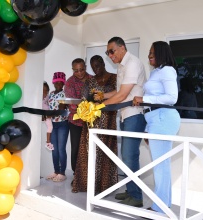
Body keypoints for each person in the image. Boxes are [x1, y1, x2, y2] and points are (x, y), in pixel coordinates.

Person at [133, 41, 181, 214]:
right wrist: (147, 127)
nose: (149, 55)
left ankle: (159, 209)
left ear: (161, 52)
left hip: (163, 118)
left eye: (152, 52)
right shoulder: (156, 72)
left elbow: (171, 98)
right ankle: (164, 205)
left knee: (160, 166)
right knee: (162, 165)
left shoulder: (168, 70)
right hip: (155, 119)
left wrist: (145, 100)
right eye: (149, 52)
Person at [101, 37, 147, 207]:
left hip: (135, 115)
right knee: (127, 157)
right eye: (107, 53)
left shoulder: (133, 63)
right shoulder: (122, 65)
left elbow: (121, 95)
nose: (110, 55)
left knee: (130, 156)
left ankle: (136, 197)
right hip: (125, 115)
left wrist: (98, 107)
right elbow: (119, 92)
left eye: (111, 51)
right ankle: (131, 190)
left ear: (122, 48)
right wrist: (102, 96)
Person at [72, 55, 118, 194]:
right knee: (90, 152)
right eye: (93, 67)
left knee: (105, 152)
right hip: (92, 122)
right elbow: (84, 99)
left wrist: (102, 99)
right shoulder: (89, 81)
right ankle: (87, 185)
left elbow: (120, 96)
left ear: (104, 63)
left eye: (98, 65)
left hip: (108, 121)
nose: (95, 69)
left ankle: (105, 186)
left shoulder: (114, 78)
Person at [64, 58, 92, 178]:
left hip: (90, 121)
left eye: (81, 70)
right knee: (75, 148)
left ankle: (90, 175)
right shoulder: (69, 82)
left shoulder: (92, 79)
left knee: (89, 148)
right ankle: (77, 176)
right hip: (75, 122)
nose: (79, 73)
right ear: (72, 70)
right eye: (76, 71)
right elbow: (73, 105)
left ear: (85, 67)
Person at [46, 72, 69, 182]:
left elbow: (61, 109)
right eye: (56, 82)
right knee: (54, 149)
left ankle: (62, 173)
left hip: (62, 124)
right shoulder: (51, 94)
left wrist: (50, 114)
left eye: (61, 82)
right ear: (54, 83)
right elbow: (47, 106)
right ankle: (56, 171)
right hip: (53, 125)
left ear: (63, 83)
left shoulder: (64, 94)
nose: (59, 84)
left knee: (61, 149)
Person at [42, 82, 54, 150]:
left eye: (47, 90)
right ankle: (48, 142)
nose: (45, 92)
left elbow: (50, 103)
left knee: (50, 127)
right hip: (43, 114)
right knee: (50, 127)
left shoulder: (47, 97)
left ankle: (48, 142)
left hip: (48, 114)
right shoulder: (38, 98)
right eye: (44, 90)